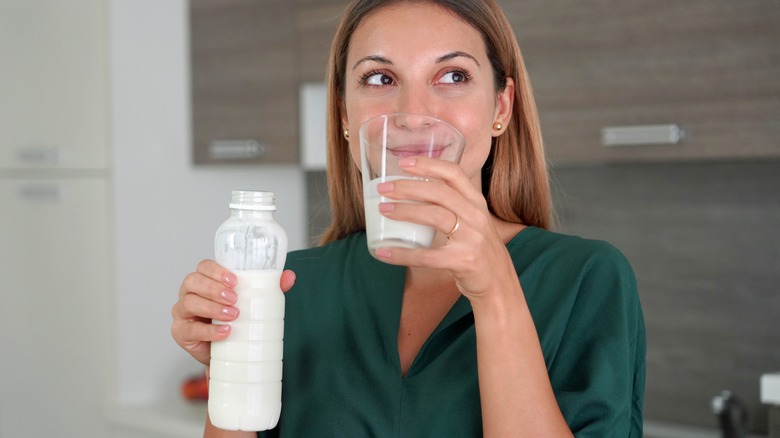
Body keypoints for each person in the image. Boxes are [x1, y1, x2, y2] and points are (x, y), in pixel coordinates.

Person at [171, 0, 646, 436]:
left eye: (453, 76)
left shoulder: (586, 280)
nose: (413, 115)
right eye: (380, 78)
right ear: (343, 115)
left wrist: (496, 291)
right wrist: (228, 367)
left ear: (500, 106)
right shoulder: (289, 287)